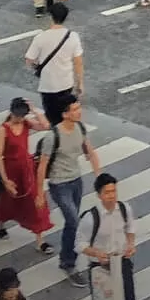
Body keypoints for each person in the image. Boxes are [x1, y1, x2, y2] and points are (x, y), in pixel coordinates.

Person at [38, 92, 100, 287]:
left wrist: (101, 178)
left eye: (78, 107)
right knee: (74, 221)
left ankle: (68, 258)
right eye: (74, 109)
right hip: (59, 184)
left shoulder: (80, 128)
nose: (79, 111)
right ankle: (68, 263)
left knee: (71, 224)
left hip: (76, 182)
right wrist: (40, 193)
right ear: (65, 114)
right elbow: (42, 166)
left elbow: (90, 152)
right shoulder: (52, 137)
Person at [83, 173, 146, 300]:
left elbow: (130, 228)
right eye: (107, 192)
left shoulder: (124, 209)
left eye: (114, 191)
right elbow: (79, 244)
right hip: (99, 265)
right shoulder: (90, 218)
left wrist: (130, 243)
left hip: (121, 261)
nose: (111, 196)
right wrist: (96, 253)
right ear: (99, 195)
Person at [0, 97, 52, 250]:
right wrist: (5, 180)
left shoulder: (26, 123)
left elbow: (45, 125)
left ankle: (40, 240)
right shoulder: (3, 129)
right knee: (6, 201)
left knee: (35, 201)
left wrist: (34, 110)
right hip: (10, 170)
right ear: (11, 112)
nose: (19, 118)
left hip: (26, 169)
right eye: (18, 115)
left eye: (22, 115)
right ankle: (0, 224)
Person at [24, 0, 83, 121]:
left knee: (52, 118)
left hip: (48, 86)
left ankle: (55, 137)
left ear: (51, 17)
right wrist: (80, 83)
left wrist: (37, 67)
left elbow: (29, 59)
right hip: (66, 84)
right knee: (66, 117)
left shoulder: (40, 37)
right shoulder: (73, 37)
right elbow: (78, 62)